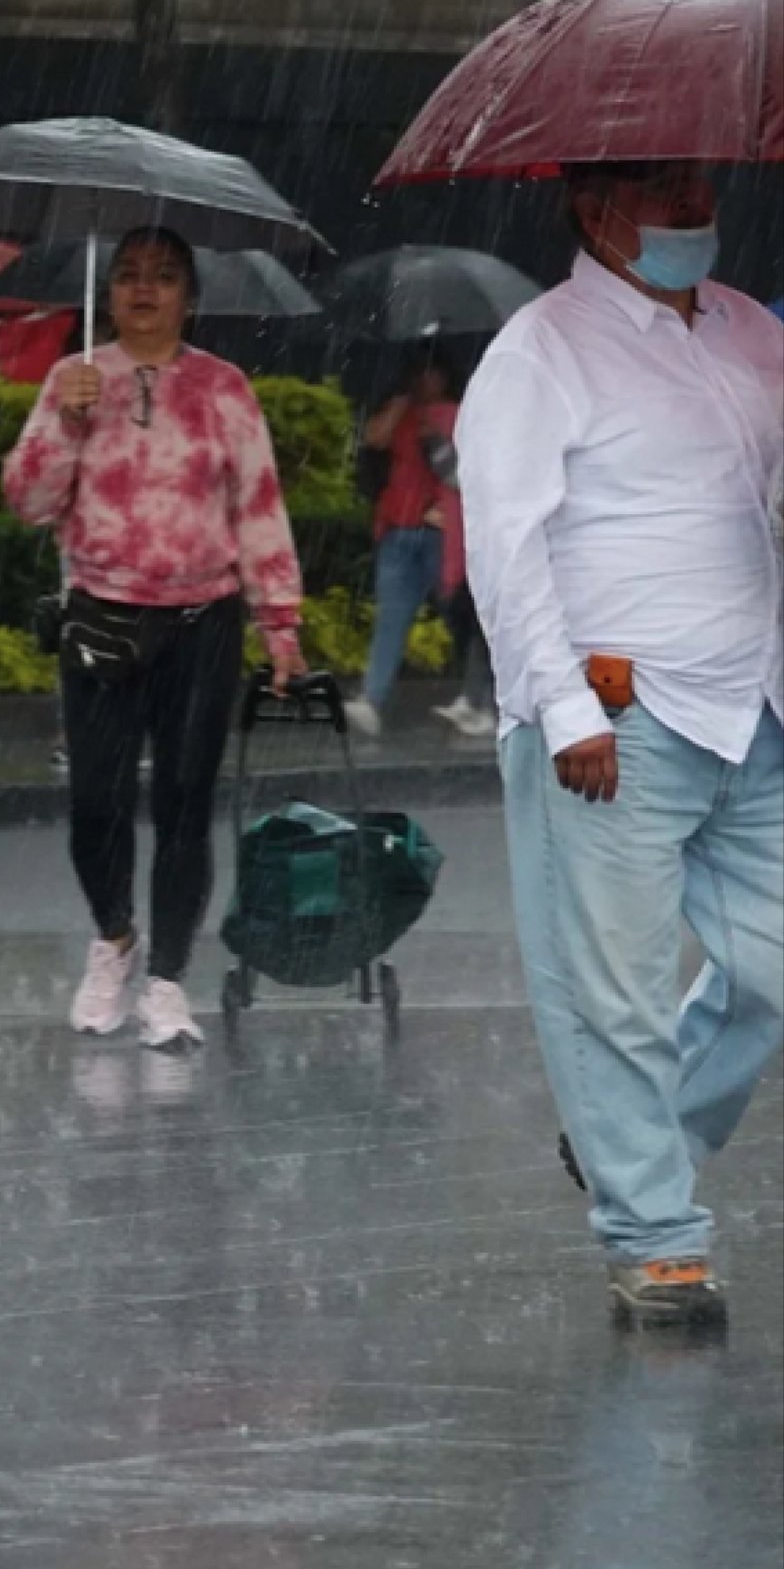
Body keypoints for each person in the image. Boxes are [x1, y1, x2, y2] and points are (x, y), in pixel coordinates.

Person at [459, 161, 782, 1330]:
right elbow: (504, 540)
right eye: (663, 188)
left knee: (769, 976)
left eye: (700, 183)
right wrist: (564, 705)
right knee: (617, 994)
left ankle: (626, 1138)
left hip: (756, 702)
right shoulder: (541, 350)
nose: (694, 206)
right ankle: (653, 1234)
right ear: (596, 208)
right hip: (616, 714)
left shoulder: (750, 328)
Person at [3, 227, 307, 1055]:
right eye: (129, 276)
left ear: (189, 295)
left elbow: (259, 504)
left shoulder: (223, 388)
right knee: (95, 801)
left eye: (163, 277)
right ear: (110, 292)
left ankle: (168, 980)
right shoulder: (76, 380)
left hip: (202, 622)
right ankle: (115, 937)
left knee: (183, 801)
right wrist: (65, 422)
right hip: (100, 616)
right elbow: (28, 501)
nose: (143, 290)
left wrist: (279, 620)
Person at [346, 356, 491, 740]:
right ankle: (373, 699)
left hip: (439, 534)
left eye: (433, 370)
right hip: (399, 527)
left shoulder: (459, 415)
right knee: (391, 618)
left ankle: (479, 700)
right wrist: (400, 404)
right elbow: (374, 438)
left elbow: (466, 471)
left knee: (462, 619)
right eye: (420, 370)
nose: (426, 379)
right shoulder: (403, 413)